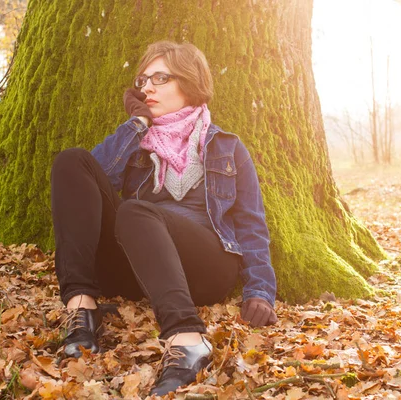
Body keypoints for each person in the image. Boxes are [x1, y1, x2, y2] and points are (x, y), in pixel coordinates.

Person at [50, 41, 277, 396]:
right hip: (138, 265)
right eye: (142, 80)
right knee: (72, 160)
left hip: (205, 266)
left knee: (136, 210)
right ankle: (82, 310)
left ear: (189, 81)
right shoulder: (136, 142)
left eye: (160, 77)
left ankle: (187, 338)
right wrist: (137, 125)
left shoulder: (226, 147)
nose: (147, 88)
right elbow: (93, 180)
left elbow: (251, 223)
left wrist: (260, 289)